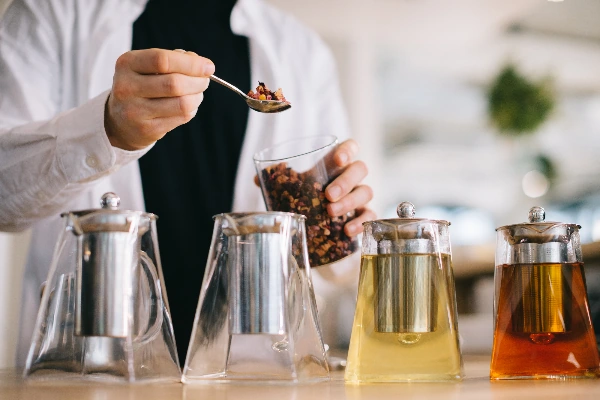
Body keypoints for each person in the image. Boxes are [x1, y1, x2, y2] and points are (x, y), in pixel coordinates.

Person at [0, 0, 375, 366]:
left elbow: (338, 263)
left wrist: (337, 213)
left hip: (252, 372)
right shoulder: (51, 12)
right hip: (90, 361)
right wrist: (107, 130)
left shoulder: (300, 48)